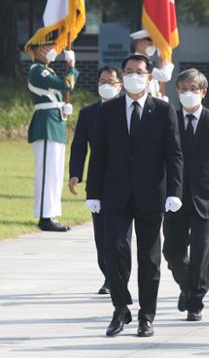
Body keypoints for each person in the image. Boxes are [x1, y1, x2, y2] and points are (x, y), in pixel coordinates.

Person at [86, 54, 183, 338]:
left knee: (149, 259)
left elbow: (174, 155)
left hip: (152, 195)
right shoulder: (109, 110)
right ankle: (120, 309)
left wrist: (174, 191)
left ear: (149, 77)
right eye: (128, 71)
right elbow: (99, 154)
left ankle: (147, 315)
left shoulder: (164, 111)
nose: (133, 76)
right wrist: (94, 193)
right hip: (115, 194)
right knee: (114, 249)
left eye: (138, 71)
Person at [163, 69, 209, 322]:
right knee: (172, 251)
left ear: (203, 92)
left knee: (202, 253)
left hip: (207, 196)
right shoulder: (167, 119)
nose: (188, 93)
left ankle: (196, 300)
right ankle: (187, 285)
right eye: (183, 89)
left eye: (193, 89)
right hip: (174, 197)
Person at [68, 66, 124, 294]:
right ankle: (109, 276)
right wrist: (75, 174)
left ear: (120, 85)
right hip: (98, 182)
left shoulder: (128, 112)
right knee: (101, 236)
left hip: (125, 181)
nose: (106, 85)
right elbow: (79, 146)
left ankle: (119, 276)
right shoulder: (89, 114)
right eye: (102, 81)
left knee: (120, 237)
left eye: (111, 81)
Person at [27, 41, 79, 232]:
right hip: (46, 125)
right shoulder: (37, 70)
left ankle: (51, 213)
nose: (53, 51)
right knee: (47, 173)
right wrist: (72, 67)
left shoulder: (46, 70)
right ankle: (44, 216)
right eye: (48, 48)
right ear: (38, 50)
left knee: (55, 173)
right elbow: (66, 85)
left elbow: (58, 92)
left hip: (55, 122)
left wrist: (63, 110)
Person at [130, 29, 174, 99]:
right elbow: (165, 76)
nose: (153, 44)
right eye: (150, 40)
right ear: (140, 42)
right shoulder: (138, 62)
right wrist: (166, 58)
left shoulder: (145, 61)